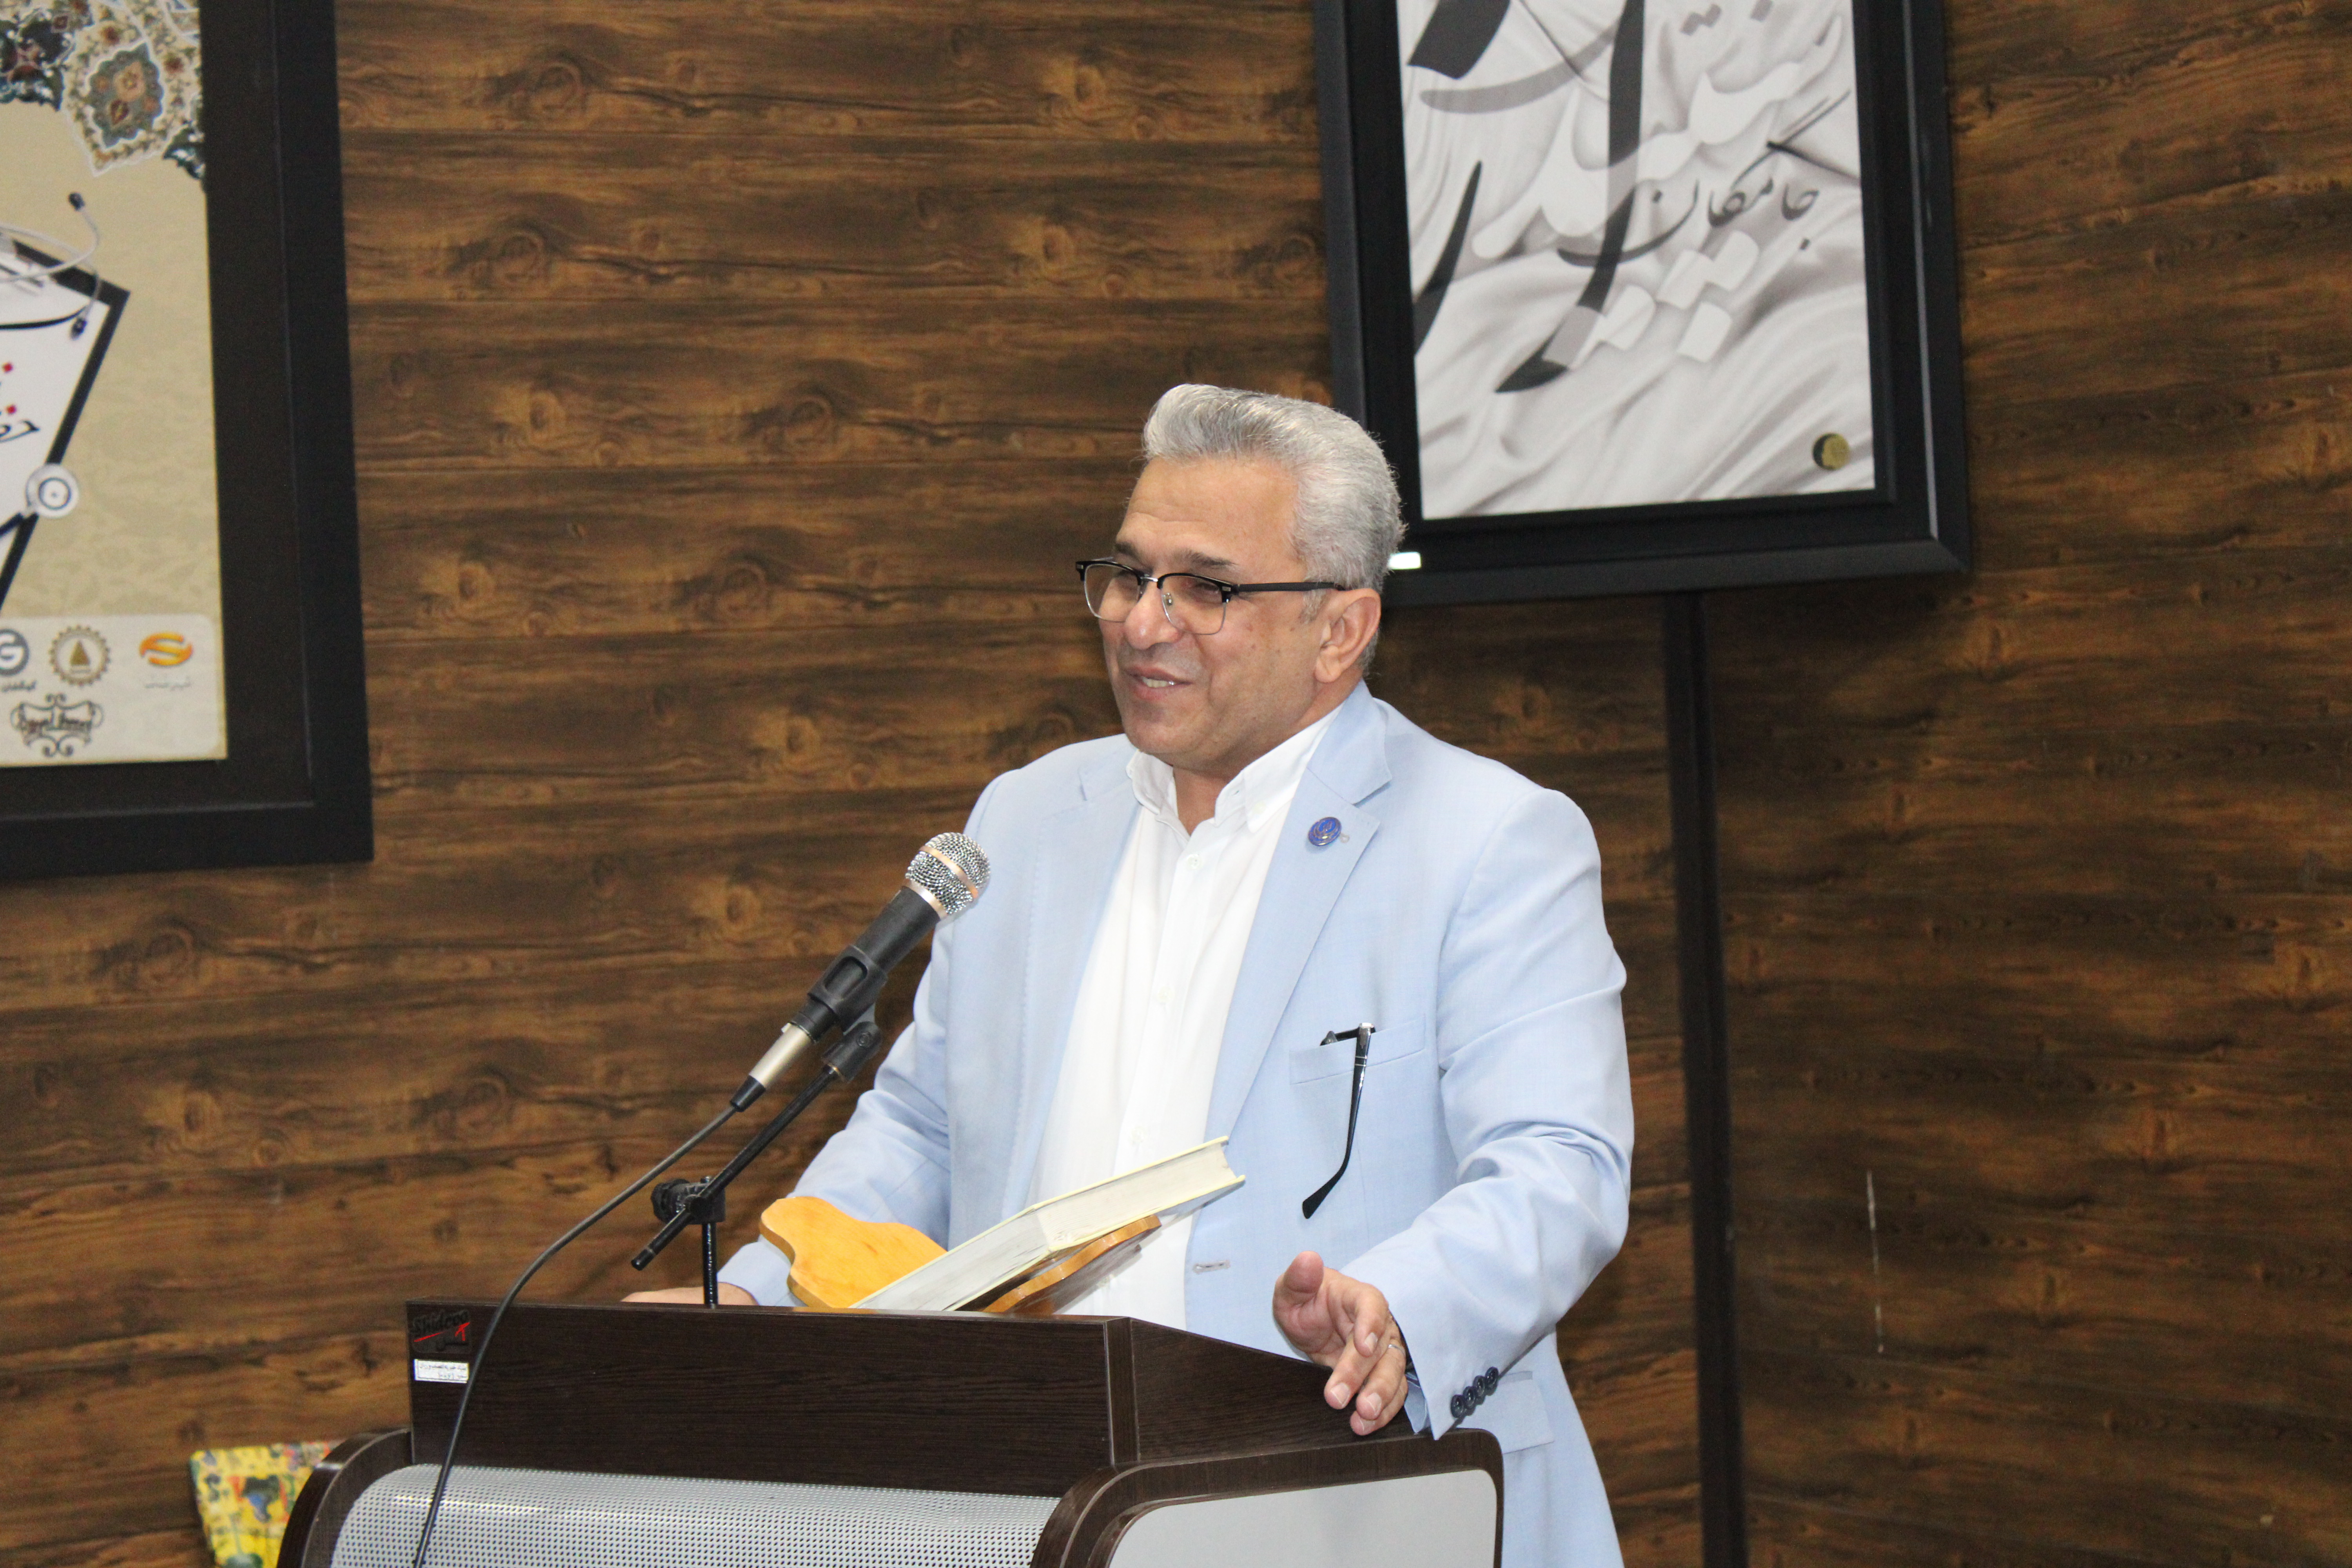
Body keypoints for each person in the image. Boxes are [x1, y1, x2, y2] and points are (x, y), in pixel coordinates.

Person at [632, 385, 1633, 1568]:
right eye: (1127, 575)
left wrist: (1403, 1304)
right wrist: (758, 1300)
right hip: (1054, 1503)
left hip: (1359, 1499)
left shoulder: (1487, 838)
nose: (1142, 623)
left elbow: (1560, 1166)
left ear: (1340, 630)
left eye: (1204, 588)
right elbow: (920, 1130)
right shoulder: (1029, 817)